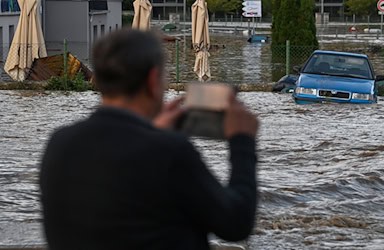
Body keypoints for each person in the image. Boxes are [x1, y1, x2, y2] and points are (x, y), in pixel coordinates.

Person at [39, 29, 259, 250]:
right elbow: (235, 223)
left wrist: (153, 131)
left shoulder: (60, 143)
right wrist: (242, 140)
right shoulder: (170, 152)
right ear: (153, 80)